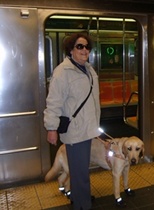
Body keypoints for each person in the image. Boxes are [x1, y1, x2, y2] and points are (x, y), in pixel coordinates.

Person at [44, 33, 100, 210]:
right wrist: (52, 128)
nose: (85, 50)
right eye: (79, 46)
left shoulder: (89, 70)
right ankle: (83, 206)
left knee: (80, 171)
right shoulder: (63, 71)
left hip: (88, 129)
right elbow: (54, 101)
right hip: (75, 131)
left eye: (87, 47)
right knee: (80, 174)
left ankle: (78, 200)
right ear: (70, 50)